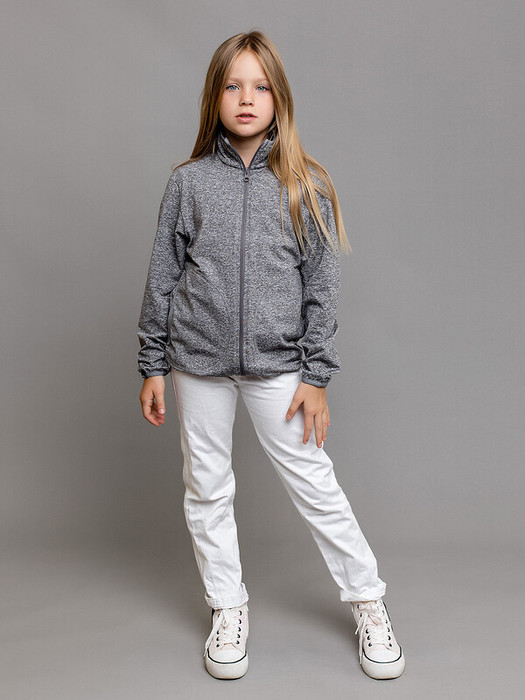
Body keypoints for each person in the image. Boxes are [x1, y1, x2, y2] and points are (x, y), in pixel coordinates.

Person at [137, 30, 405, 682]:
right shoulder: (188, 184)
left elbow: (322, 288)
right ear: (215, 97)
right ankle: (227, 608)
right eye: (233, 85)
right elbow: (162, 277)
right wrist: (152, 364)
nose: (246, 97)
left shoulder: (305, 184)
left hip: (280, 366)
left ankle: (368, 602)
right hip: (196, 362)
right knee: (207, 488)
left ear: (279, 97)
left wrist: (316, 375)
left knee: (315, 484)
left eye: (260, 86)